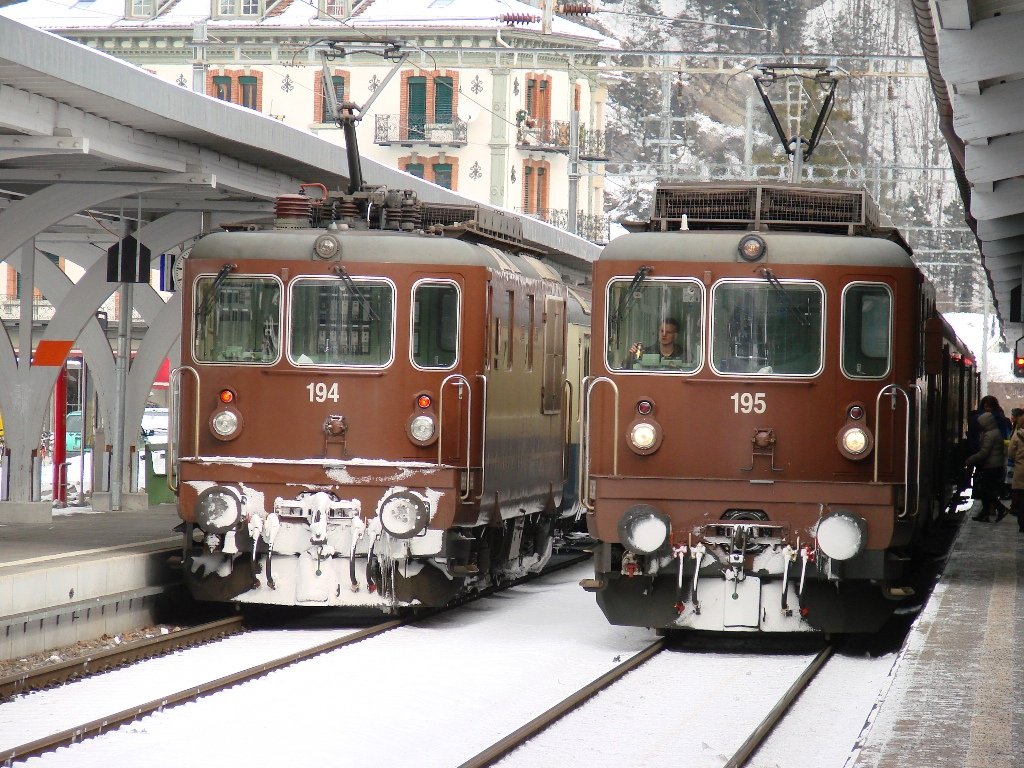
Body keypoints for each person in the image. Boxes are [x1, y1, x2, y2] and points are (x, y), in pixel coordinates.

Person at [966, 410, 1011, 522]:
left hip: (991, 466)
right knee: (986, 491)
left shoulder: (989, 435)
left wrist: (970, 460)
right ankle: (984, 514)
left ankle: (1001, 509)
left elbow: (984, 452)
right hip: (994, 465)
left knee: (986, 492)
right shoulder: (994, 432)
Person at [1007, 413, 1024, 530]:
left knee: (1022, 497)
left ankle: (1022, 524)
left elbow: (1011, 454)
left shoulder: (1017, 435)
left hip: (1021, 470)